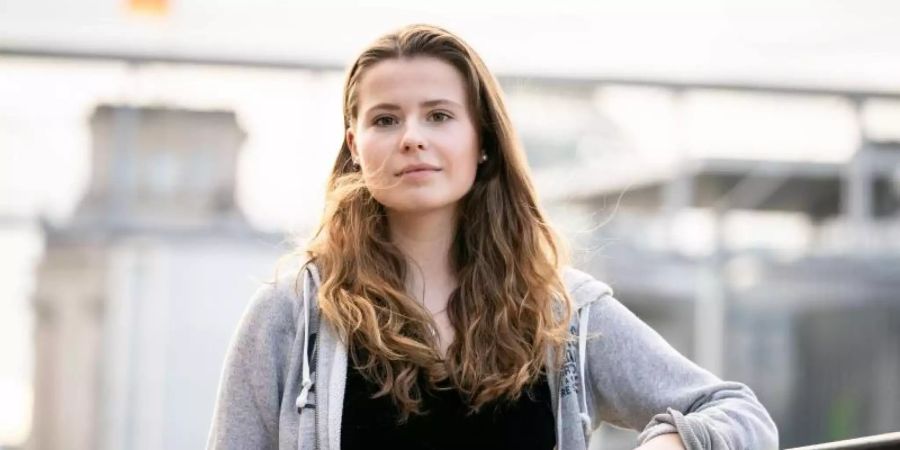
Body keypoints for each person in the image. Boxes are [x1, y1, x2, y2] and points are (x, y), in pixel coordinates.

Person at [206, 24, 778, 450]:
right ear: (355, 146)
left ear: (482, 141)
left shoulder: (562, 313)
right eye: (385, 119)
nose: (411, 138)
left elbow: (740, 413)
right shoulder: (294, 315)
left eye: (438, 116)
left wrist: (671, 443)